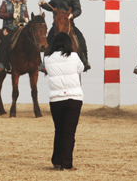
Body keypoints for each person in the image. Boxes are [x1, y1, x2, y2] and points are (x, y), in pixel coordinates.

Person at [44, 32, 84, 171]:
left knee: (59, 131)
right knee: (69, 133)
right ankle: (67, 164)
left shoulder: (47, 58)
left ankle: (57, 160)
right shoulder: (74, 56)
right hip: (74, 98)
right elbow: (81, 68)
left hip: (56, 100)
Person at [39, 0, 90, 71]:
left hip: (69, 24)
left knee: (81, 39)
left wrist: (72, 15)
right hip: (56, 25)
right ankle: (44, 64)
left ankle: (84, 62)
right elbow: (51, 7)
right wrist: (43, 5)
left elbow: (78, 10)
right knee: (47, 40)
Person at [0, 0, 29, 72]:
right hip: (9, 27)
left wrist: (26, 19)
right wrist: (11, 15)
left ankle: (38, 64)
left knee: (32, 38)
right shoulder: (5, 2)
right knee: (5, 41)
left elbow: (26, 16)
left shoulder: (24, 3)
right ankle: (1, 64)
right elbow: (0, 14)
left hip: (20, 27)